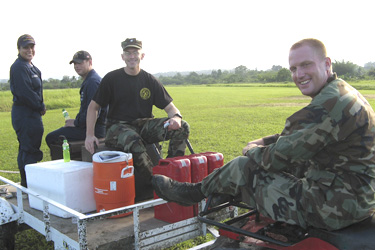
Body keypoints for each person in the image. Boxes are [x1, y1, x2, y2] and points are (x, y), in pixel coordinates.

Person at [152, 38, 375, 231]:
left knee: (243, 167)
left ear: (326, 64)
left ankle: (195, 192)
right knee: (286, 164)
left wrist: (253, 150)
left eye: (306, 65)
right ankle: (222, 189)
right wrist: (265, 141)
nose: (299, 74)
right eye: (294, 69)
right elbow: (299, 138)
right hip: (356, 195)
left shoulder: (325, 106)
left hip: (335, 207)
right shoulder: (342, 92)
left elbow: (276, 157)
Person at [85, 38, 190, 201]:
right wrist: (89, 135)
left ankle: (171, 173)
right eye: (128, 53)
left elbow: (170, 108)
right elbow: (93, 107)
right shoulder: (112, 79)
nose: (131, 56)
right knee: (133, 140)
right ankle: (157, 184)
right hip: (117, 127)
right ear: (122, 57)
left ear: (142, 55)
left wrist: (176, 118)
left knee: (182, 126)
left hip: (143, 124)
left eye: (135, 52)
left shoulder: (149, 80)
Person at [45, 51, 107, 151]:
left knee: (51, 138)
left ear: (90, 62)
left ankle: (69, 164)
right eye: (75, 63)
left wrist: (75, 123)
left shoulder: (92, 82)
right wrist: (75, 121)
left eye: (80, 63)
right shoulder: (90, 80)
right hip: (89, 127)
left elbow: (95, 111)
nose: (77, 66)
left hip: (95, 129)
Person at [10, 34, 46, 188]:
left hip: (32, 114)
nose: (29, 50)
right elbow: (25, 93)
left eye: (32, 46)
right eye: (26, 47)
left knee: (29, 147)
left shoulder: (31, 67)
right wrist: (40, 106)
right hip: (25, 114)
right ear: (19, 49)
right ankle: (30, 185)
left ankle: (28, 183)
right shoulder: (18, 67)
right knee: (28, 149)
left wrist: (39, 106)